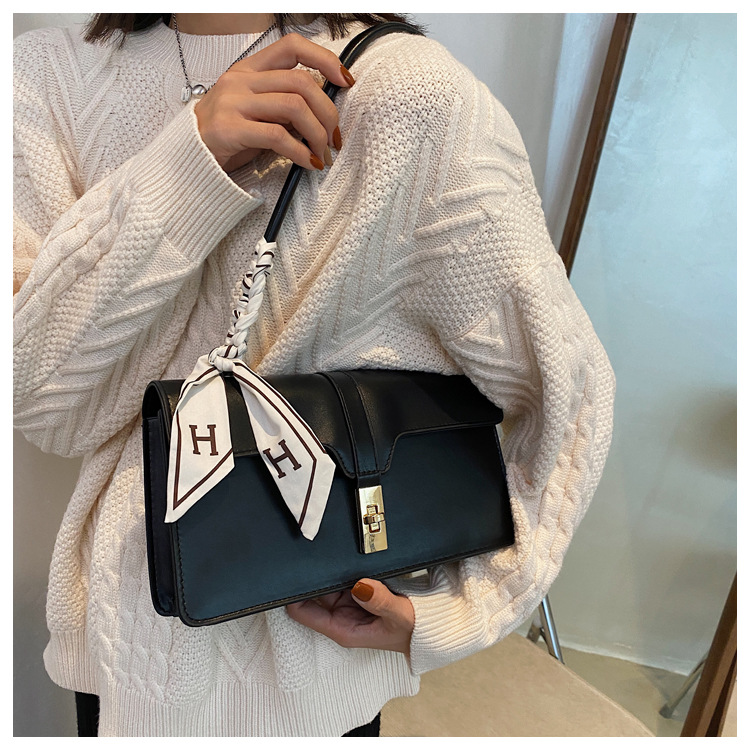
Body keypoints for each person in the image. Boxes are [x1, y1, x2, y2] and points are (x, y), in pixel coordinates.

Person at [13, 12, 615, 737]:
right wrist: (187, 164)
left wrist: (462, 607)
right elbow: (40, 403)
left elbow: (572, 391)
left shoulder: (406, 93)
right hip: (121, 663)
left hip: (314, 681)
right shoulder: (43, 77)